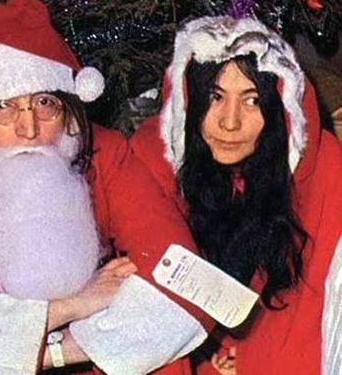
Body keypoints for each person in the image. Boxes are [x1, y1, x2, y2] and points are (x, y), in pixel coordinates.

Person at [0, 1, 241, 374]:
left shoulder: (102, 153)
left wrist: (62, 348)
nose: (28, 130)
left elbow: (192, 284)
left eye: (45, 103)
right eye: (2, 106)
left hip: (92, 348)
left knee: (166, 361)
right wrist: (66, 309)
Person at [131, 15, 342, 375]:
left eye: (251, 101)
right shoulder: (152, 161)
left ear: (279, 109)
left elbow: (306, 322)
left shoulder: (319, 173)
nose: (230, 123)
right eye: (215, 97)